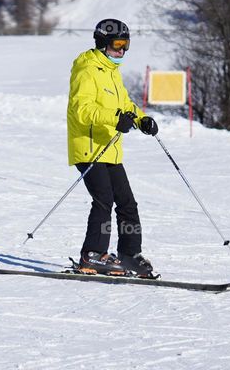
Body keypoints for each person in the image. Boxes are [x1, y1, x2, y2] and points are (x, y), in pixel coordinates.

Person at [66, 18, 157, 277]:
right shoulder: (87, 68)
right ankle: (93, 254)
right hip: (89, 146)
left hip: (110, 148)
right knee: (103, 200)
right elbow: (81, 109)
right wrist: (115, 119)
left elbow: (125, 104)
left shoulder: (111, 71)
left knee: (127, 203)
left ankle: (129, 255)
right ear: (104, 42)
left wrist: (141, 119)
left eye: (126, 45)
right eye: (118, 44)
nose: (122, 51)